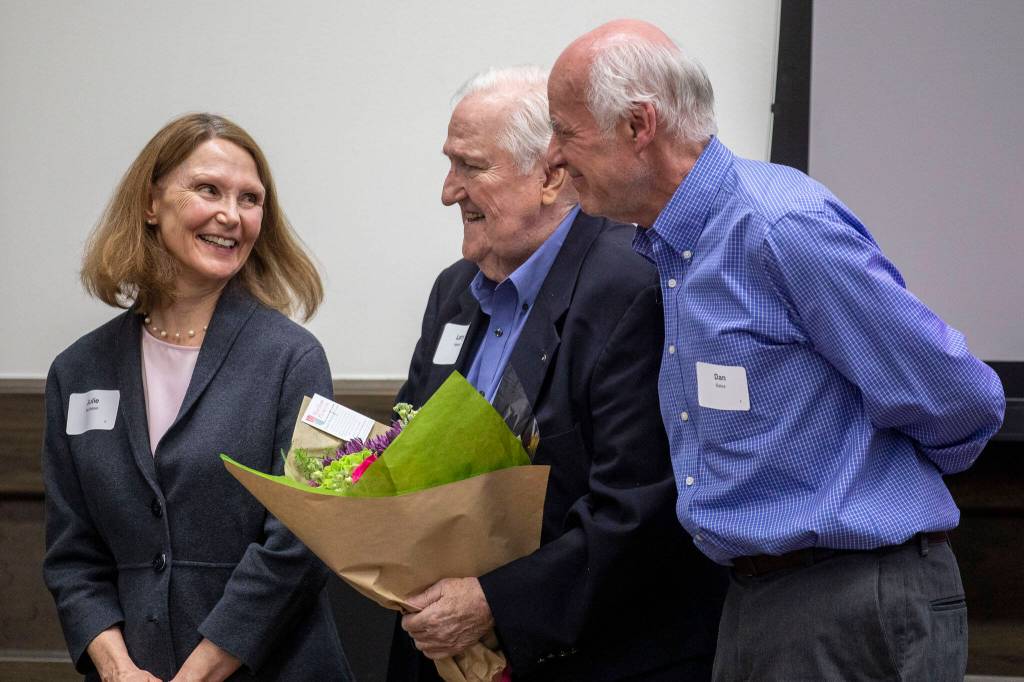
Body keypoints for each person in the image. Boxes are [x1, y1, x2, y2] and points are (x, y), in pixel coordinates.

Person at [546, 19, 1007, 681]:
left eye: (565, 131)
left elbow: (961, 397)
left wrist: (879, 488)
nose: (553, 157)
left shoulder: (779, 229)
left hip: (851, 599)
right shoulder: (671, 251)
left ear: (637, 125)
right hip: (755, 598)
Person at [386, 66, 725, 682]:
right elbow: (403, 450)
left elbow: (639, 509)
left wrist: (493, 601)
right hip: (442, 652)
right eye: (449, 164)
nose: (447, 191)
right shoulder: (453, 293)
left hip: (594, 657)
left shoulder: (632, 287)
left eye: (471, 167)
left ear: (550, 175)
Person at [42, 113, 353, 681]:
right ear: (151, 202)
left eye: (250, 198)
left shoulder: (294, 359)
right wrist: (116, 669)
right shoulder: (77, 372)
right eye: (208, 189)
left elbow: (302, 539)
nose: (230, 215)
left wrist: (200, 674)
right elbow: (72, 556)